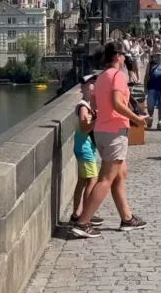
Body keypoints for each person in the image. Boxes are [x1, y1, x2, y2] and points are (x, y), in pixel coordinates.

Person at [71, 42, 149, 238]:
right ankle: (83, 222)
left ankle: (127, 218)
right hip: (115, 131)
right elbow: (116, 103)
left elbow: (97, 104)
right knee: (105, 179)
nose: (125, 58)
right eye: (123, 55)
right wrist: (137, 118)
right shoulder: (117, 76)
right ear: (116, 57)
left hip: (101, 131)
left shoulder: (101, 78)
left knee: (120, 174)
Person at [69, 75, 105, 228]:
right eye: (89, 84)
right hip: (84, 148)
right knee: (92, 180)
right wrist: (98, 120)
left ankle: (77, 214)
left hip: (84, 147)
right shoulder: (83, 106)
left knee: (83, 181)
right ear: (82, 88)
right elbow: (84, 128)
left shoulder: (88, 105)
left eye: (94, 84)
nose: (92, 86)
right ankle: (85, 215)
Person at [143, 51, 161, 131]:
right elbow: (147, 76)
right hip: (152, 88)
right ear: (154, 55)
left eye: (159, 55)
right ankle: (150, 118)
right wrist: (145, 87)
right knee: (150, 106)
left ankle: (160, 123)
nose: (158, 56)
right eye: (156, 55)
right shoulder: (150, 64)